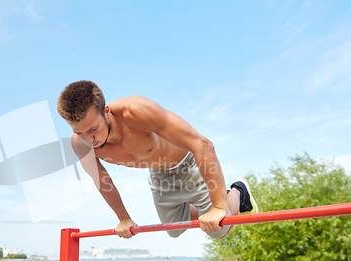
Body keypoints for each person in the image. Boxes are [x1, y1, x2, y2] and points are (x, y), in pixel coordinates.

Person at [57, 80, 258, 239]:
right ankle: (208, 204)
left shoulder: (135, 110)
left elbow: (202, 144)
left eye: (93, 129)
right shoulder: (80, 144)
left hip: (188, 164)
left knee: (219, 229)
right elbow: (102, 180)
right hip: (158, 175)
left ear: (106, 111)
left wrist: (219, 207)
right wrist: (124, 218)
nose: (89, 140)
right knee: (174, 230)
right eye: (80, 132)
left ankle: (237, 192)